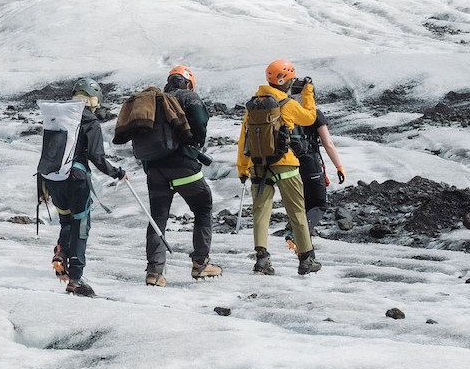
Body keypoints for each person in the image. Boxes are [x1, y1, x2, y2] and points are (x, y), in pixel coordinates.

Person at [37, 78, 126, 298]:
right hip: (76, 178)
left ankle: (62, 251)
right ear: (93, 100)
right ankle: (76, 278)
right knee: (82, 224)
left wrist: (41, 187)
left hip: (52, 179)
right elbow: (97, 157)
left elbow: (46, 152)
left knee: (67, 220)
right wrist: (117, 172)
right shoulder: (91, 122)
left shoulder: (58, 117)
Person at [236, 61, 321, 277]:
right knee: (297, 213)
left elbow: (244, 138)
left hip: (258, 165)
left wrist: (243, 168)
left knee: (261, 214)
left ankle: (262, 260)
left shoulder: (253, 105)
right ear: (285, 81)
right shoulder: (287, 103)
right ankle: (305, 259)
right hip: (286, 164)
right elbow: (310, 117)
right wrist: (308, 93)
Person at [140, 64, 221, 284]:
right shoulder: (187, 96)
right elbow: (200, 122)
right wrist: (196, 142)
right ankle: (200, 264)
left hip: (155, 168)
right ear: (187, 82)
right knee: (203, 207)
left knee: (158, 218)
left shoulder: (154, 100)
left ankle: (154, 273)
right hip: (183, 165)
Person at [293, 96, 349, 214]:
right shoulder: (315, 114)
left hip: (289, 168)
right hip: (311, 166)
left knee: (299, 208)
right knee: (318, 206)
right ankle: (305, 231)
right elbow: (328, 144)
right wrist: (339, 167)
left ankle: (298, 231)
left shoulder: (285, 113)